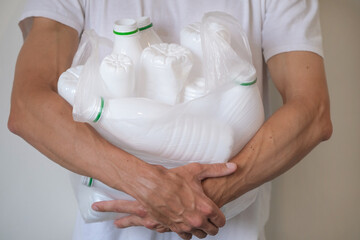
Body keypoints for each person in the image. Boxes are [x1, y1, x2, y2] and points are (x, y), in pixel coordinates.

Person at [8, 0, 332, 239]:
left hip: (229, 228)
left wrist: (200, 199)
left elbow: (312, 110)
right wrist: (152, 188)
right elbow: (29, 105)